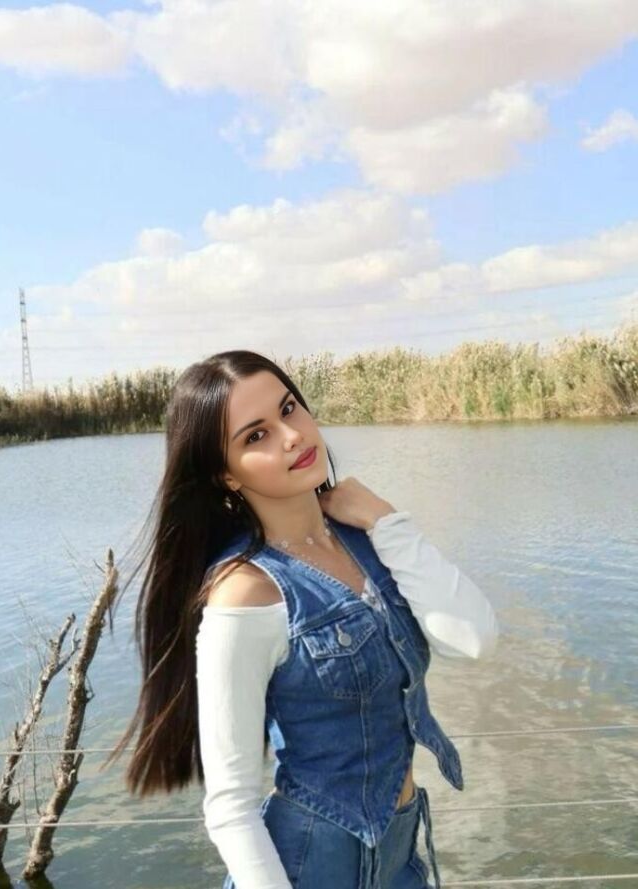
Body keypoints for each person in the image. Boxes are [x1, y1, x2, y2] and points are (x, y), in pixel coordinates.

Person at [103, 348, 498, 889]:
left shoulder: (370, 540)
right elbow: (230, 806)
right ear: (225, 474)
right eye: (256, 436)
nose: (291, 436)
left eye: (288, 409)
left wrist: (388, 521)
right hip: (311, 866)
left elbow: (473, 638)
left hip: (401, 859)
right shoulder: (246, 592)